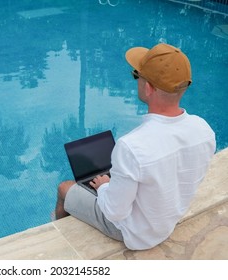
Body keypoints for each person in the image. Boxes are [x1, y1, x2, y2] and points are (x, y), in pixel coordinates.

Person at [55, 43, 216, 250]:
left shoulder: (132, 146)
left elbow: (114, 212)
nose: (137, 80)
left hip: (135, 234)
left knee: (65, 188)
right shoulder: (203, 131)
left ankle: (58, 240)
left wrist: (104, 185)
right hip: (167, 221)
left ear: (148, 87)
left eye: (137, 75)